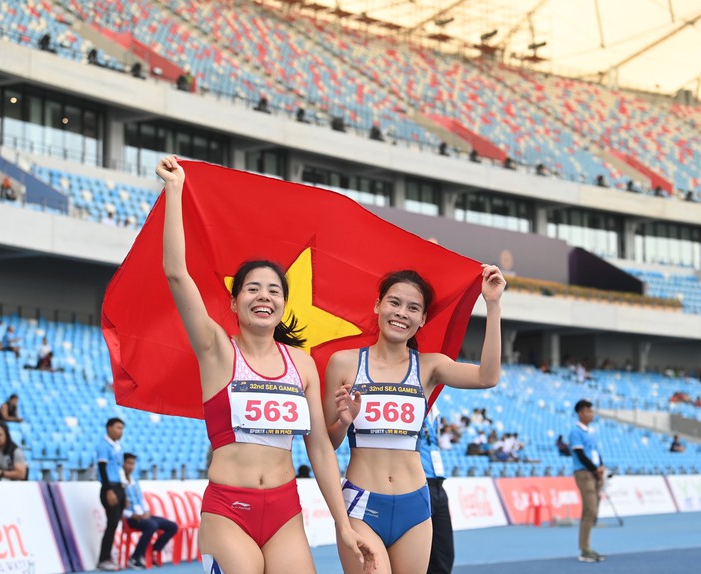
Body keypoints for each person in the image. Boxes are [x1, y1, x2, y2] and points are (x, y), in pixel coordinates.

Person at [156, 155, 373, 574]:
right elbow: (176, 274)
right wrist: (175, 189)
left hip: (285, 511)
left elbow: (320, 450)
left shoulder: (302, 364)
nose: (264, 297)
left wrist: (342, 525)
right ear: (235, 301)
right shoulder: (216, 350)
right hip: (228, 510)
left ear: (283, 305)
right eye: (252, 289)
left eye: (274, 291)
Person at [324, 264, 505, 574]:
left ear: (422, 319)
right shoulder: (343, 363)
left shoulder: (430, 366)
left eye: (413, 308)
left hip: (416, 508)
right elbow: (326, 444)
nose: (401, 313)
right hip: (361, 505)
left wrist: (492, 303)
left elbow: (487, 377)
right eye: (394, 303)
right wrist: (343, 421)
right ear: (377, 305)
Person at [122, 453, 179, 569]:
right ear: (123, 464)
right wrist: (132, 515)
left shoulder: (135, 481)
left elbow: (141, 500)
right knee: (151, 525)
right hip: (131, 518)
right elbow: (119, 509)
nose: (131, 466)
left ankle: (153, 550)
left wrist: (147, 511)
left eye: (133, 464)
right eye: (128, 463)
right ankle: (135, 558)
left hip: (143, 516)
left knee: (172, 526)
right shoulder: (119, 483)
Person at [570, 399, 606, 563]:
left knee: (592, 510)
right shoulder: (575, 431)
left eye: (592, 411)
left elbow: (595, 452)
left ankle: (586, 547)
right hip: (584, 473)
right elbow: (580, 454)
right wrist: (594, 469)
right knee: (590, 509)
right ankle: (585, 549)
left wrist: (601, 467)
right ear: (580, 413)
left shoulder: (591, 431)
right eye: (588, 411)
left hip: (594, 473)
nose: (591, 414)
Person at [420, 407, 454, 574]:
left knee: (444, 554)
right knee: (418, 555)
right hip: (419, 485)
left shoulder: (436, 413)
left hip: (438, 485)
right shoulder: (413, 403)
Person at [96, 417, 126, 571]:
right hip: (110, 487)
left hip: (119, 487)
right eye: (118, 428)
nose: (120, 431)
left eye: (122, 428)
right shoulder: (104, 445)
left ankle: (108, 556)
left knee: (114, 524)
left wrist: (124, 489)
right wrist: (108, 490)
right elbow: (102, 468)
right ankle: (103, 559)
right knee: (112, 523)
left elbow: (119, 469)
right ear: (109, 428)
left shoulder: (117, 446)